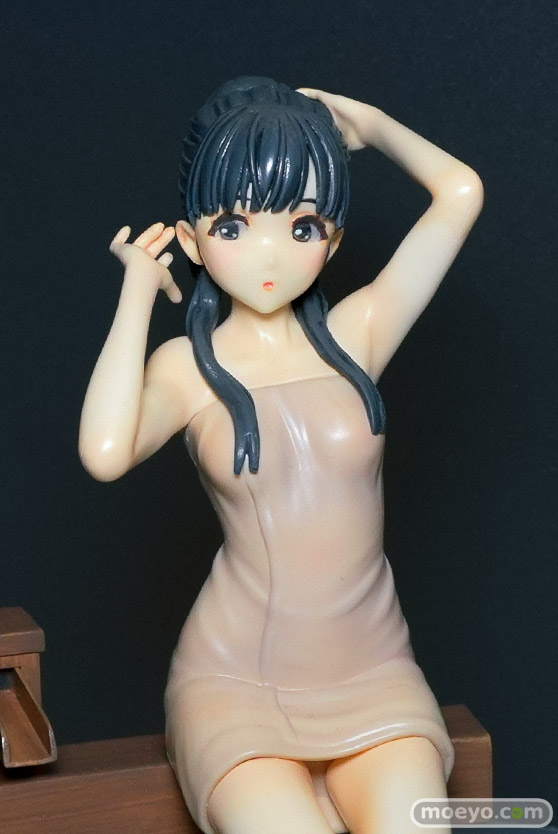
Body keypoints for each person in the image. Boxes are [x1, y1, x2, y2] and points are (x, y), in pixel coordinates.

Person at [79, 77, 483, 834]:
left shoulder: (360, 336)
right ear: (193, 241)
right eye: (234, 225)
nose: (268, 252)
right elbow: (104, 452)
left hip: (374, 674)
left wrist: (372, 124)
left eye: (301, 226)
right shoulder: (187, 370)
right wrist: (136, 291)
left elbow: (460, 193)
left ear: (333, 239)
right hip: (238, 682)